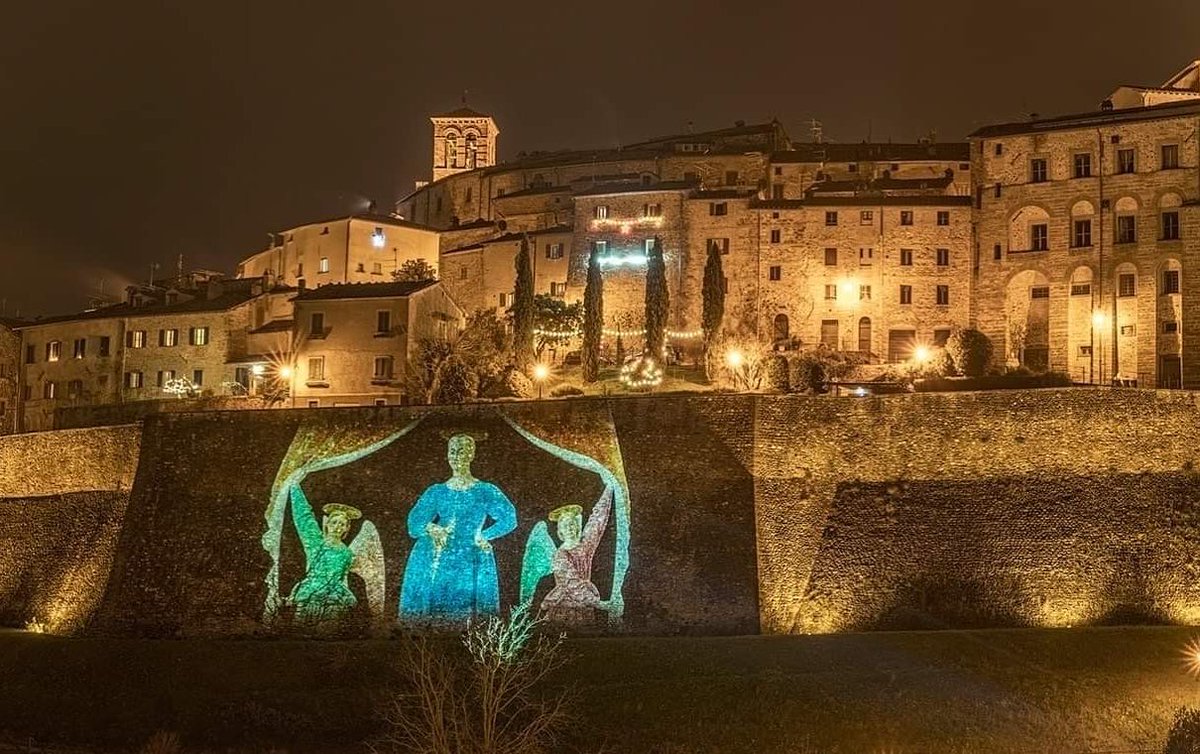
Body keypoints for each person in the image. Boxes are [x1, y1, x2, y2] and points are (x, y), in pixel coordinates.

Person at [400, 433, 518, 624]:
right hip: (440, 555)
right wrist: (431, 527)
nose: (456, 457)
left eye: (461, 452)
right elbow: (414, 523)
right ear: (447, 455)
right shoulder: (437, 491)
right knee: (437, 606)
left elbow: (509, 519)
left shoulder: (485, 490)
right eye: (452, 452)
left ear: (471, 455)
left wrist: (485, 535)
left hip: (471, 556)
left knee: (467, 609)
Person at [286, 485, 384, 626]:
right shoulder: (315, 542)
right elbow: (303, 517)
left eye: (342, 524)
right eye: (334, 522)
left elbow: (344, 576)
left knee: (327, 633)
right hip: (310, 594)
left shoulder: (348, 553)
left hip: (334, 598)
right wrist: (294, 486)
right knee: (299, 631)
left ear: (346, 528)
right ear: (327, 524)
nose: (337, 527)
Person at [519, 486, 612, 627]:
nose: (569, 528)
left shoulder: (585, 545)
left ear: (577, 526)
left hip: (585, 605)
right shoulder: (560, 556)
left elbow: (597, 521)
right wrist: (601, 604)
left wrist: (609, 489)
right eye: (565, 525)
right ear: (560, 531)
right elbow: (573, 584)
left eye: (572, 524)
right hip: (566, 608)